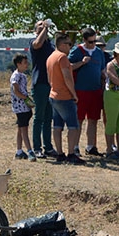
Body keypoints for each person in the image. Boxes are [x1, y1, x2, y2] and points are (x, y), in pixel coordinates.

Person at [68, 27, 107, 157]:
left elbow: (102, 70)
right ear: (84, 40)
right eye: (90, 42)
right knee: (78, 120)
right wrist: (81, 63)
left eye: (94, 41)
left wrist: (106, 77)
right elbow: (67, 67)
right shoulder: (77, 51)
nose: (93, 44)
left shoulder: (99, 53)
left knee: (93, 120)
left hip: (96, 91)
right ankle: (75, 146)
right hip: (80, 90)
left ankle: (91, 146)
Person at [46, 33, 82, 164]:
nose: (70, 47)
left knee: (57, 126)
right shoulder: (62, 58)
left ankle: (60, 153)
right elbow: (67, 77)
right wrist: (74, 94)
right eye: (69, 44)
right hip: (64, 96)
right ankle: (71, 153)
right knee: (73, 126)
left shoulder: (51, 57)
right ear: (61, 45)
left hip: (53, 95)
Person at [29, 20, 56, 158]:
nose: (43, 25)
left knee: (48, 117)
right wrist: (44, 28)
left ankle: (48, 147)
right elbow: (38, 43)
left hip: (50, 84)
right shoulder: (34, 43)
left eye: (43, 24)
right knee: (38, 117)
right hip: (39, 84)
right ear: (35, 30)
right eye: (39, 24)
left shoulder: (50, 45)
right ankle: (37, 148)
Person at [9, 54, 36, 161]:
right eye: (25, 63)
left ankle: (19, 151)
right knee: (24, 129)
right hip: (20, 107)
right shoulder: (15, 76)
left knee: (21, 129)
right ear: (18, 64)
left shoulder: (23, 76)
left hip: (25, 107)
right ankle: (30, 151)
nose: (27, 65)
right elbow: (16, 90)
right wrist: (25, 98)